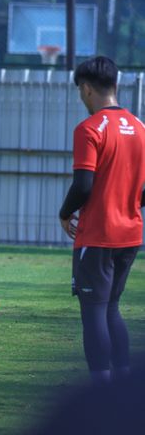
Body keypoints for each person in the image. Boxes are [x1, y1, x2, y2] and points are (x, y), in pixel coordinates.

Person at [59, 56, 145, 385]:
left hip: (98, 236)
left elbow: (83, 185)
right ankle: (122, 384)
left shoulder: (90, 129)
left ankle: (101, 393)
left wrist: (65, 213)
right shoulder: (139, 127)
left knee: (94, 313)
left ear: (86, 88)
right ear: (116, 86)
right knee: (112, 309)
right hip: (131, 234)